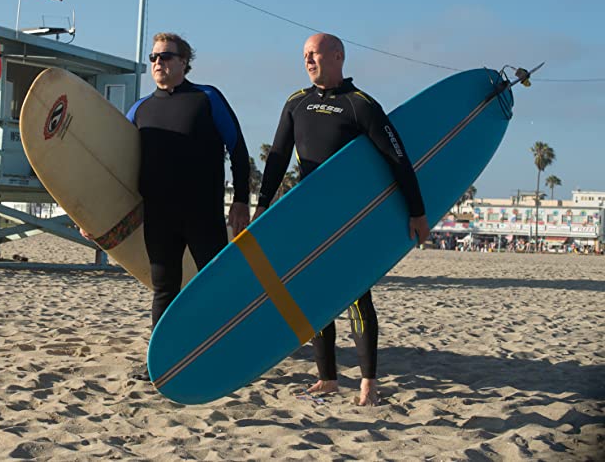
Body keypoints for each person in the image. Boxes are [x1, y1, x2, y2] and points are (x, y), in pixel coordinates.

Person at [254, 33, 429, 407]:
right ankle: (327, 378)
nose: (307, 60)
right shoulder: (296, 103)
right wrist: (262, 206)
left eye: (314, 53)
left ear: (337, 56)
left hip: (349, 221)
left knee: (355, 295)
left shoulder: (360, 105)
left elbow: (397, 159)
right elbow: (278, 157)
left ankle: (368, 382)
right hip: (309, 218)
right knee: (316, 296)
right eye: (304, 54)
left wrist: (417, 211)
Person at [124, 33, 251, 363]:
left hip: (202, 213)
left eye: (165, 56)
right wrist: (94, 213)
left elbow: (238, 149)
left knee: (214, 284)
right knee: (164, 288)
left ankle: (224, 352)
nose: (158, 63)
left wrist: (240, 200)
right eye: (153, 57)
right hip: (159, 215)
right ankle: (163, 360)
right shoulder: (139, 110)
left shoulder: (207, 98)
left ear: (184, 62)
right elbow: (114, 163)